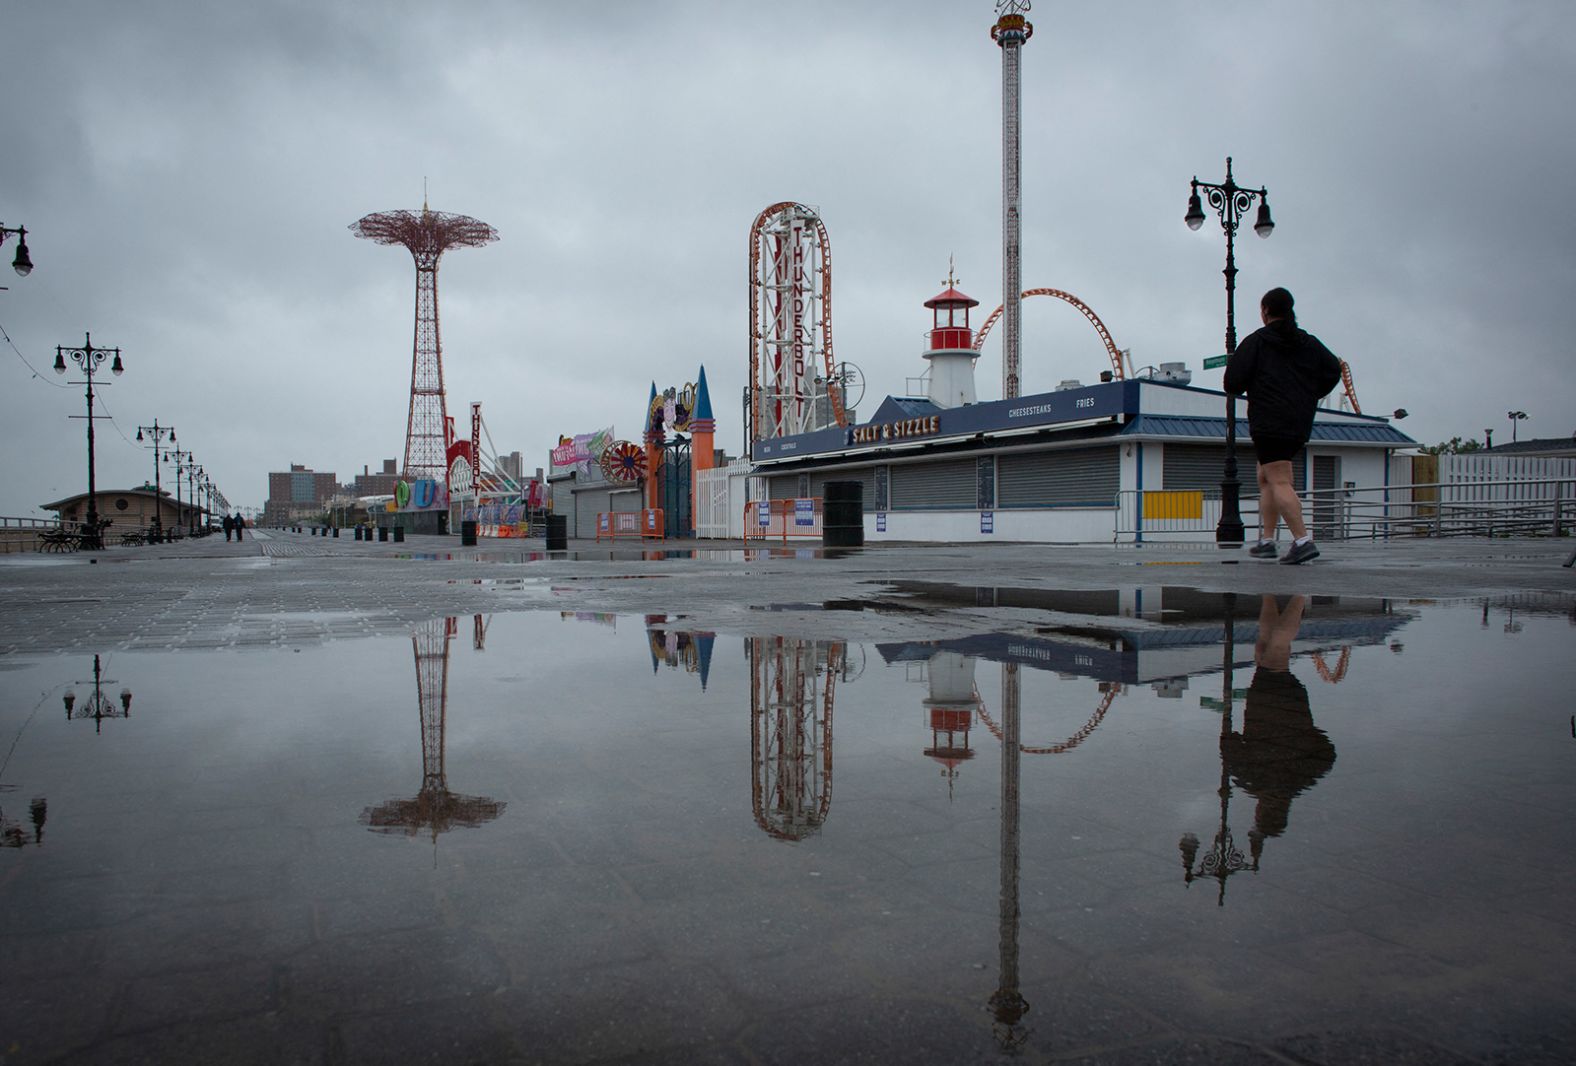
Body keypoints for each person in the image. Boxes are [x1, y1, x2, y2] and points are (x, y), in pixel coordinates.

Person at [1223, 287, 1343, 565]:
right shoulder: (1308, 342)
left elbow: (1233, 382)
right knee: (1266, 476)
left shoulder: (1258, 341)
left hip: (1269, 419)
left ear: (1265, 311)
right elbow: (1333, 369)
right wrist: (1311, 392)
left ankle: (1302, 541)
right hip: (1299, 419)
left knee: (1278, 479)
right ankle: (1267, 540)